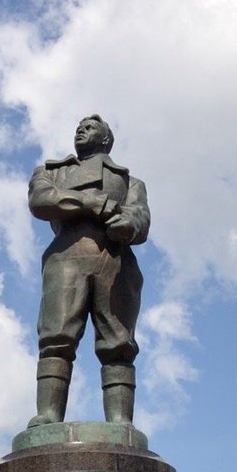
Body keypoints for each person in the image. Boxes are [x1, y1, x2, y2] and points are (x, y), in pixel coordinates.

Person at [27, 114, 151, 427]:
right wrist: (88, 201)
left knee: (119, 345)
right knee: (56, 338)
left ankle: (122, 423)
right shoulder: (52, 172)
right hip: (67, 258)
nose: (82, 129)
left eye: (91, 127)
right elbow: (41, 200)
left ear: (107, 139)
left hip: (114, 262)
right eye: (79, 127)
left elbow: (141, 219)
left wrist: (128, 224)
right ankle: (49, 415)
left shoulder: (130, 183)